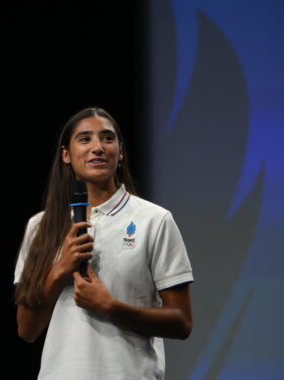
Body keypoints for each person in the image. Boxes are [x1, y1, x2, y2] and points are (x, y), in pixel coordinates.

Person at [14, 107, 193, 379]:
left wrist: (111, 307)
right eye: (85, 139)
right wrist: (60, 269)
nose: (97, 147)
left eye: (107, 138)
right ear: (66, 155)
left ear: (119, 152)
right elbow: (26, 330)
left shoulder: (154, 220)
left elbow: (182, 322)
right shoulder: (40, 226)